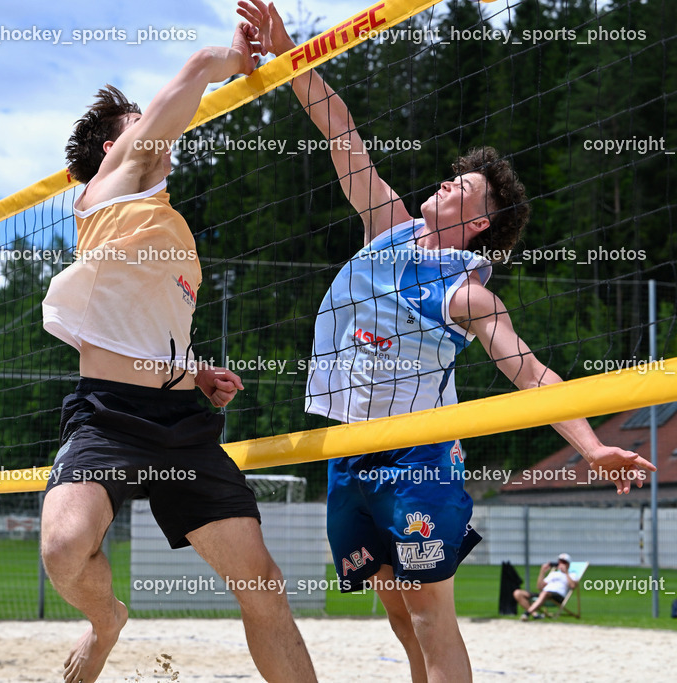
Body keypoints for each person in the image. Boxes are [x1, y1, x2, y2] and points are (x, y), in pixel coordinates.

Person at [239, 2, 657, 681]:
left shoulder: (466, 293)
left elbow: (533, 374)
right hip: (351, 447)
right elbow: (340, 130)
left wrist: (592, 446)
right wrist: (290, 54)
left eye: (460, 185)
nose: (444, 181)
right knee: (400, 610)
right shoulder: (389, 227)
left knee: (433, 615)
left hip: (418, 458)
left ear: (480, 224)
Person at [40, 19, 317, 683]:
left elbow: (135, 319)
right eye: (139, 121)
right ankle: (108, 618)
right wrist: (239, 58)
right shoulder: (110, 188)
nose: (157, 128)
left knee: (263, 586)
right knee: (61, 548)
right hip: (109, 416)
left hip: (182, 423)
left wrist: (195, 371)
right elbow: (196, 66)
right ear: (114, 145)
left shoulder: (165, 226)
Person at [514, 553, 576, 620]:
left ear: (568, 564)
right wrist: (542, 571)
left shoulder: (572, 575)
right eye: (559, 561)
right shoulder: (554, 574)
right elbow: (539, 587)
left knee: (545, 593)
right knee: (517, 593)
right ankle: (535, 614)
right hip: (544, 593)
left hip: (557, 596)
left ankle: (526, 613)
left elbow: (572, 586)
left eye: (563, 562)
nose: (560, 563)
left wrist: (566, 572)